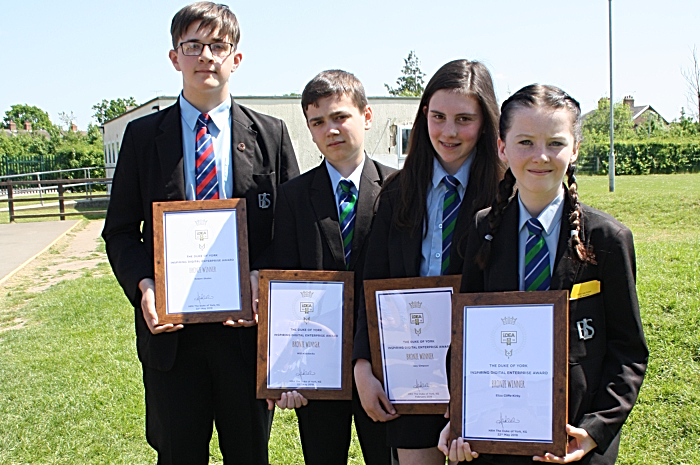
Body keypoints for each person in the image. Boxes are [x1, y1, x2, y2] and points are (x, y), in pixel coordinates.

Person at [101, 3, 299, 464]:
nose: (206, 55)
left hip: (244, 335)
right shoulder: (142, 137)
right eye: (193, 45)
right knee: (178, 454)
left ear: (236, 58)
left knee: (249, 453)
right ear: (175, 57)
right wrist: (143, 286)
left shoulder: (270, 134)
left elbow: (289, 229)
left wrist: (261, 279)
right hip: (173, 338)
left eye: (218, 46)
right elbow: (120, 232)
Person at [438, 84, 648, 464]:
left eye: (555, 142)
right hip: (497, 439)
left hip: (574, 442)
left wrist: (596, 429)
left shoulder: (606, 239)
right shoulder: (482, 229)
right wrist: (460, 416)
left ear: (575, 149)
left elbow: (628, 350)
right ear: (502, 148)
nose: (540, 156)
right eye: (524, 142)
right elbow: (463, 335)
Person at [353, 59, 505, 465]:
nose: (449, 131)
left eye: (464, 119)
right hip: (411, 378)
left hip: (484, 376)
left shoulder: (507, 196)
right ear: (424, 117)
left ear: (486, 123)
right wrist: (363, 365)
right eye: (438, 117)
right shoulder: (397, 192)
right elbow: (374, 281)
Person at [253, 69, 395, 465]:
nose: (330, 130)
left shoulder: (398, 189)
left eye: (340, 117)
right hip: (316, 370)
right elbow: (285, 280)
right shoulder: (294, 196)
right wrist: (286, 375)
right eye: (318, 122)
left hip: (384, 367)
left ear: (366, 117)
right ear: (310, 131)